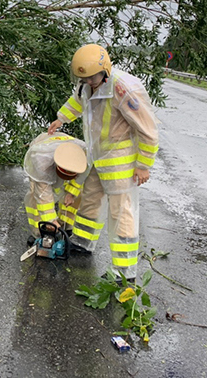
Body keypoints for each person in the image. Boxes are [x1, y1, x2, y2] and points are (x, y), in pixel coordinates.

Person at [47, 44, 158, 281]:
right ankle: (83, 242)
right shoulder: (88, 84)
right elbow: (78, 102)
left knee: (121, 213)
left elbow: (147, 129)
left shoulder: (122, 89)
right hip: (97, 156)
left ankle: (124, 271)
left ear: (105, 71)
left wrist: (143, 165)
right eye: (83, 79)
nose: (87, 82)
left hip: (120, 161)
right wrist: (60, 119)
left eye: (91, 78)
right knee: (90, 198)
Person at [23, 132, 89, 240]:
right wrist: (50, 220)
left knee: (78, 194)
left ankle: (65, 226)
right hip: (41, 148)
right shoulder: (41, 163)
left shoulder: (84, 154)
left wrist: (71, 193)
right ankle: (39, 232)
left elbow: (82, 177)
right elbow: (43, 196)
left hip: (65, 149)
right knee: (36, 198)